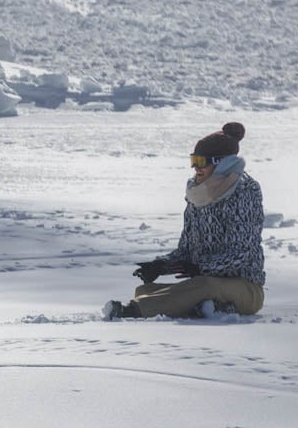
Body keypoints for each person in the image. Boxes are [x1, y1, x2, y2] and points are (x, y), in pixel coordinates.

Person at [104, 122, 266, 320]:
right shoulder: (197, 195)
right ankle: (212, 308)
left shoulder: (244, 191)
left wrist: (201, 268)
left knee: (202, 286)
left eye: (202, 161)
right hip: (205, 282)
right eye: (193, 160)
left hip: (245, 289)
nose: (196, 167)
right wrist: (162, 265)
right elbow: (186, 250)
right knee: (145, 289)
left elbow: (242, 252)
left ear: (222, 163)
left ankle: (132, 311)